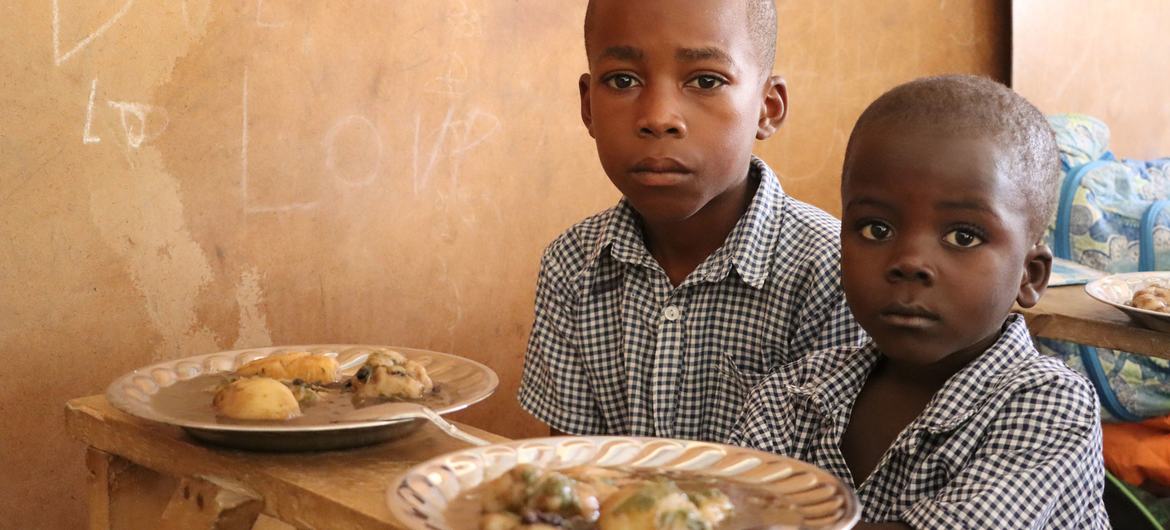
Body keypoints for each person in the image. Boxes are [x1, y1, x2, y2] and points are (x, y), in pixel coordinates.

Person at [731, 75, 1109, 528]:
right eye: (876, 229)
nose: (909, 262)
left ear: (1030, 276)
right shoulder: (791, 396)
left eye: (962, 236)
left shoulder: (1048, 403)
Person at [518, 0, 863, 442]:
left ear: (768, 106)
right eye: (623, 80)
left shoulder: (832, 270)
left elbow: (826, 490)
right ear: (588, 106)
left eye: (705, 80)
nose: (659, 118)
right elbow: (570, 473)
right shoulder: (571, 265)